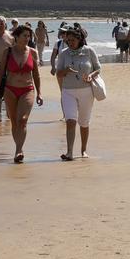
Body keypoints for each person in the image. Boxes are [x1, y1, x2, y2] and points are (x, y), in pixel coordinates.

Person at [0, 22, 43, 163]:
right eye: (24, 36)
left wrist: (39, 93)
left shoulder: (32, 52)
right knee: (14, 122)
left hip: (27, 89)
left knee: (22, 120)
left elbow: (36, 74)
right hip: (10, 90)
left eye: (29, 36)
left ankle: (19, 150)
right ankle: (18, 147)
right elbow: (0, 73)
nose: (27, 38)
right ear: (16, 36)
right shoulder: (8, 52)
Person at [55, 23, 100, 160]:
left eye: (72, 40)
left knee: (84, 122)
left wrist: (92, 75)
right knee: (70, 121)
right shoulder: (63, 54)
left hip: (86, 91)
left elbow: (98, 68)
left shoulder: (89, 51)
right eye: (67, 41)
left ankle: (83, 150)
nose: (70, 43)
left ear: (79, 39)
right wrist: (65, 71)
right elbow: (58, 73)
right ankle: (69, 152)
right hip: (68, 91)